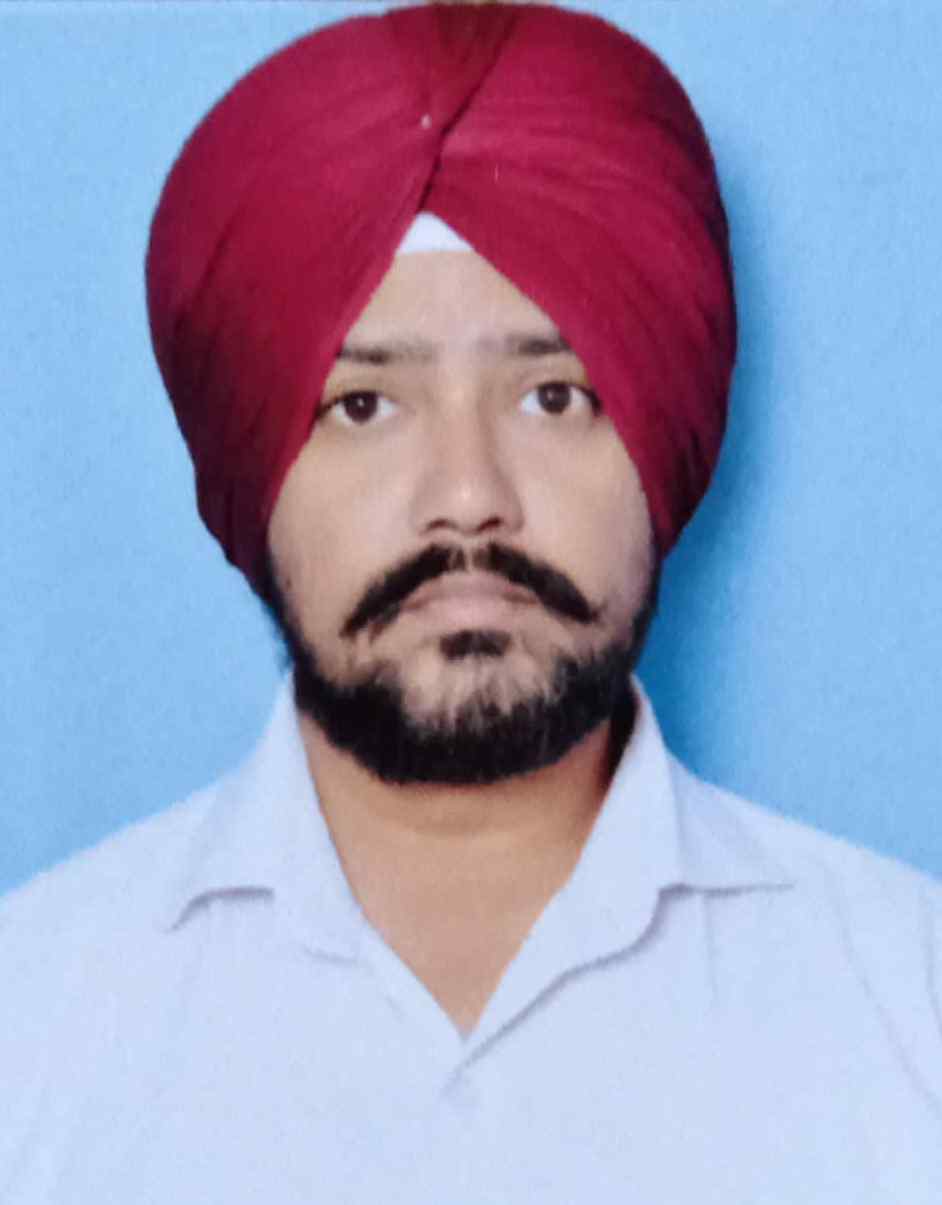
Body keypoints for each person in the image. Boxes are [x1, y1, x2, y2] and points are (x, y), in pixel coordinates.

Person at [2, 3, 940, 1201]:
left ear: (663, 442)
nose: (467, 498)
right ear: (250, 469)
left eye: (553, 397)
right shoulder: (34, 1022)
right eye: (363, 406)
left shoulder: (909, 1007)